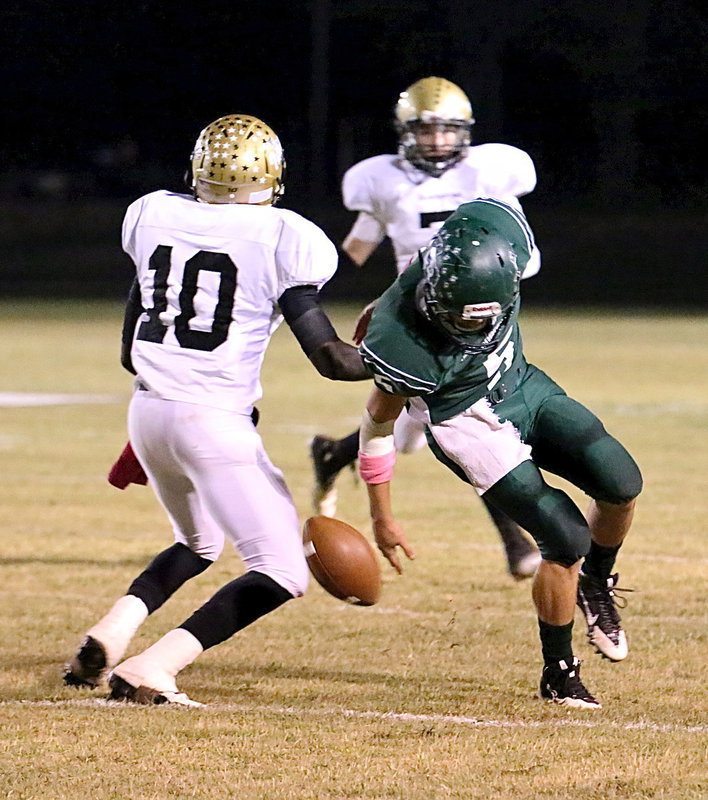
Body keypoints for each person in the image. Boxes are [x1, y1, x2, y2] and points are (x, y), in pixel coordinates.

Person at [63, 113, 370, 706]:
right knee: (281, 570)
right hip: (212, 423)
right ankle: (155, 666)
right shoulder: (285, 235)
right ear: (274, 179)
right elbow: (331, 358)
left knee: (199, 543)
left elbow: (131, 350)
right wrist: (401, 368)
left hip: (148, 414)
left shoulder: (153, 213)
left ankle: (112, 632)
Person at [355, 197, 641, 708]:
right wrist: (382, 514)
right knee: (565, 537)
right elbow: (377, 422)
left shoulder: (498, 232)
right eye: (463, 322)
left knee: (621, 482)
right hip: (467, 423)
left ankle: (595, 584)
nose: (478, 331)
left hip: (521, 384)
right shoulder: (403, 340)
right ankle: (559, 673)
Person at [310, 76, 542, 579]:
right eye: (426, 130)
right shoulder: (385, 181)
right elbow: (356, 248)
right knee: (460, 425)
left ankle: (332, 454)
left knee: (412, 435)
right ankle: (516, 543)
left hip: (479, 318)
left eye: (447, 130)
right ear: (405, 131)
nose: (437, 140)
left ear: (466, 131)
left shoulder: (491, 174)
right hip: (416, 322)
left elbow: (526, 253)